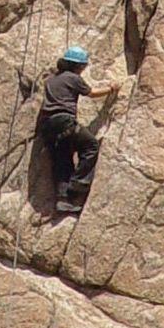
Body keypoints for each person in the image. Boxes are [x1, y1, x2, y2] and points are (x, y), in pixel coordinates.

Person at [38, 46, 119, 214]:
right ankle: (78, 185)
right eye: (82, 66)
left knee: (63, 160)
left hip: (48, 126)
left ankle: (63, 199)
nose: (83, 69)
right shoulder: (73, 78)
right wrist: (111, 89)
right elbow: (91, 93)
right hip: (64, 121)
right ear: (77, 66)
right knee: (90, 146)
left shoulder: (52, 79)